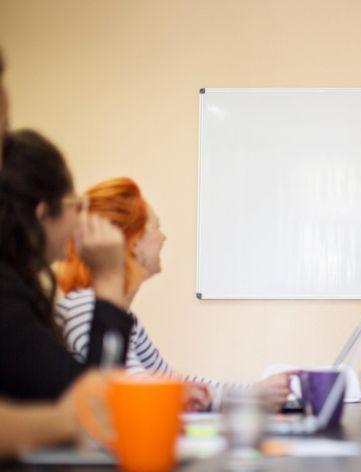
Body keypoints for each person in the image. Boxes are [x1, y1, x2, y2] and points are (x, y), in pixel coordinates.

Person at [55, 177, 290, 411]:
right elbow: (136, 393)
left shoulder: (125, 319)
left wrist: (252, 393)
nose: (163, 237)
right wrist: (249, 399)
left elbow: (169, 380)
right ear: (134, 243)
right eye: (156, 228)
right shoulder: (83, 307)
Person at [0, 129, 133, 401]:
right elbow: (92, 405)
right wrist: (108, 279)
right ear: (43, 212)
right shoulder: (7, 298)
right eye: (75, 203)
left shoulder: (17, 288)